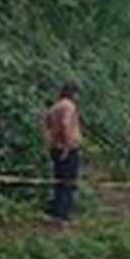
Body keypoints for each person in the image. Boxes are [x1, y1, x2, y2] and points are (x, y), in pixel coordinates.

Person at [42, 82, 83, 224]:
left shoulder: (55, 106)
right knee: (68, 183)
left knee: (59, 181)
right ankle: (64, 215)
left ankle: (57, 213)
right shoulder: (68, 106)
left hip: (56, 148)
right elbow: (65, 124)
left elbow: (46, 124)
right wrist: (68, 144)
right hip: (67, 149)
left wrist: (50, 141)